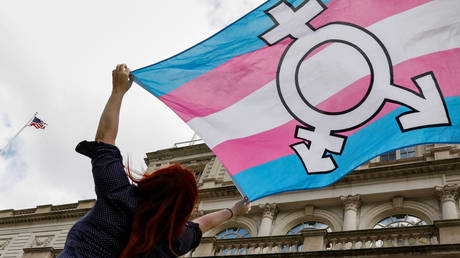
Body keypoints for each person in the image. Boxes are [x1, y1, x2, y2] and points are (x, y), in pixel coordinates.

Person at [58, 64, 251, 258]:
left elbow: (105, 138)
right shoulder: (174, 239)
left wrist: (118, 91)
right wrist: (233, 211)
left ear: (153, 181)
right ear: (186, 205)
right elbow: (203, 224)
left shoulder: (118, 194)